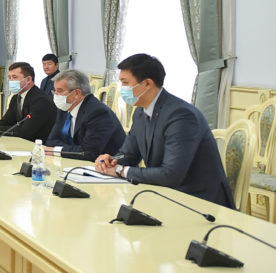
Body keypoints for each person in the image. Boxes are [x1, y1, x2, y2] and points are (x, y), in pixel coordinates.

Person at [95, 53, 233, 208]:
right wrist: (110, 161)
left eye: (126, 83)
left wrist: (120, 170)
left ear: (147, 83)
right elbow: (129, 154)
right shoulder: (140, 112)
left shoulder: (181, 115)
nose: (123, 89)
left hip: (198, 200)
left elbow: (171, 175)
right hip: (165, 194)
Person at [42, 69, 125, 161]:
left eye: (60, 91)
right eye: (55, 91)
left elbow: (88, 153)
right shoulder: (64, 108)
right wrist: (73, 150)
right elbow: (51, 141)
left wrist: (57, 151)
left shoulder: (98, 113)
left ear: (77, 93)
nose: (56, 95)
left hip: (108, 165)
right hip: (75, 161)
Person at [0, 61, 57, 142]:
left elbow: (25, 131)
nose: (11, 81)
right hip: (23, 142)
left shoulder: (41, 100)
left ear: (28, 79)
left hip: (40, 145)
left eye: (14, 77)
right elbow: (7, 121)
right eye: (10, 77)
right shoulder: (16, 97)